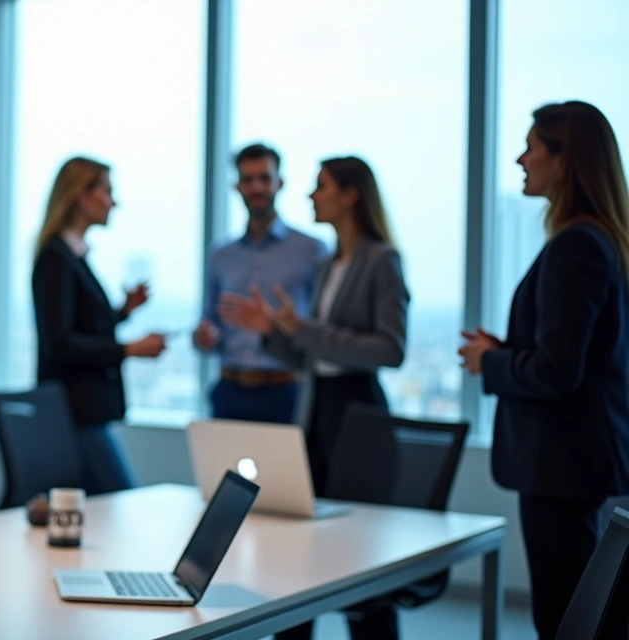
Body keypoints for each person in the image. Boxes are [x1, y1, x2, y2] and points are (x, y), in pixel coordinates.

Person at [459, 101, 629, 640]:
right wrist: (508, 350)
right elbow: (582, 356)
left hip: (561, 466)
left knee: (565, 619)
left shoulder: (576, 245)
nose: (520, 159)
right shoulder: (601, 239)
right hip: (577, 463)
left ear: (565, 159)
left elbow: (558, 373)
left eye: (532, 147)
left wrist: (490, 360)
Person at [222, 156, 409, 640]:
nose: (309, 196)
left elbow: (390, 348)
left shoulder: (381, 259)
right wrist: (273, 333)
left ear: (350, 196)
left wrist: (300, 328)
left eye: (320, 186)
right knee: (299, 552)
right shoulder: (327, 263)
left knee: (359, 561)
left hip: (358, 411)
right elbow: (313, 353)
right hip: (316, 407)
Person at [32, 156, 166, 494]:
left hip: (85, 413)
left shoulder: (72, 256)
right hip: (77, 415)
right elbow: (59, 343)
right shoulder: (56, 258)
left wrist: (122, 312)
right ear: (81, 195)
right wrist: (129, 349)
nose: (113, 202)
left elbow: (79, 324)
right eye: (107, 192)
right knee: (122, 502)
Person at [192, 143, 327, 423]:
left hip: (286, 391)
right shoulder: (220, 254)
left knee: (287, 469)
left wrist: (275, 328)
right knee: (220, 468)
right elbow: (210, 320)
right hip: (230, 389)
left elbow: (322, 328)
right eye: (247, 180)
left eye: (264, 178)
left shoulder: (312, 250)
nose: (256, 188)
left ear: (280, 183)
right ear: (236, 186)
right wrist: (205, 337)